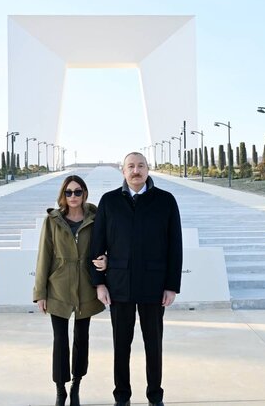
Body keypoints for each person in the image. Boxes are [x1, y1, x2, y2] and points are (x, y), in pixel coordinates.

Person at [89, 152, 183, 406]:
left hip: (154, 285)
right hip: (119, 285)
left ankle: (155, 396)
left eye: (141, 166)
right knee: (121, 346)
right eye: (131, 166)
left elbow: (175, 246)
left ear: (148, 169)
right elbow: (97, 244)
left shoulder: (165, 200)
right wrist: (99, 283)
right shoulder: (109, 201)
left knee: (154, 345)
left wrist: (171, 286)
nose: (136, 170)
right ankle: (122, 397)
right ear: (123, 171)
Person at [33, 175, 107, 406]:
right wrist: (40, 293)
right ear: (63, 195)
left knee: (81, 338)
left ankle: (76, 384)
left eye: (77, 192)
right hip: (58, 287)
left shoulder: (96, 218)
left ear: (84, 193)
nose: (73, 196)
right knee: (60, 339)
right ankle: (60, 389)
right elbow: (44, 256)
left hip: (86, 287)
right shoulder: (52, 220)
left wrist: (107, 260)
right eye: (68, 192)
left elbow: (107, 246)